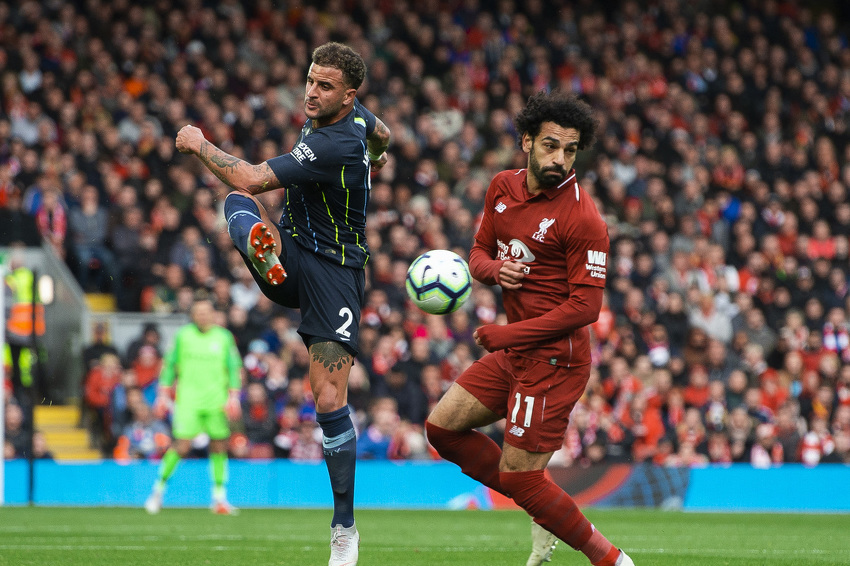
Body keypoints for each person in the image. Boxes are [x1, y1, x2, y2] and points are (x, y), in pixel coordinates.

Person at [174, 42, 390, 565]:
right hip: (296, 253)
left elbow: (250, 175)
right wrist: (377, 159)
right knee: (237, 205)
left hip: (336, 272)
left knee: (328, 401)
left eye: (324, 86)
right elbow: (384, 135)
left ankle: (343, 528)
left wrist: (201, 145)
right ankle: (268, 258)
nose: (311, 93)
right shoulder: (360, 122)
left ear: (349, 94)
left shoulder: (336, 141)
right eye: (310, 80)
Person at [425, 91, 634, 566]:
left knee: (521, 478)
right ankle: (546, 511)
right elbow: (477, 254)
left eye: (570, 149)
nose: (560, 158)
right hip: (517, 351)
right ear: (527, 141)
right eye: (551, 146)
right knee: (442, 430)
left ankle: (613, 560)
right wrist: (496, 270)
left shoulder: (583, 217)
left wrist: (507, 335)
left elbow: (587, 307)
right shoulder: (501, 187)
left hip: (555, 360)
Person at [144, 299, 243, 515]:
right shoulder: (183, 336)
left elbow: (234, 368)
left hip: (216, 400)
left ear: (213, 314)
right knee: (182, 446)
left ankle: (219, 499)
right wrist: (162, 394)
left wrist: (233, 397)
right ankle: (157, 492)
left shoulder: (223, 337)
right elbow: (170, 365)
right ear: (193, 315)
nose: (202, 316)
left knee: (218, 446)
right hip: (188, 399)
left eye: (206, 311)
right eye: (198, 312)